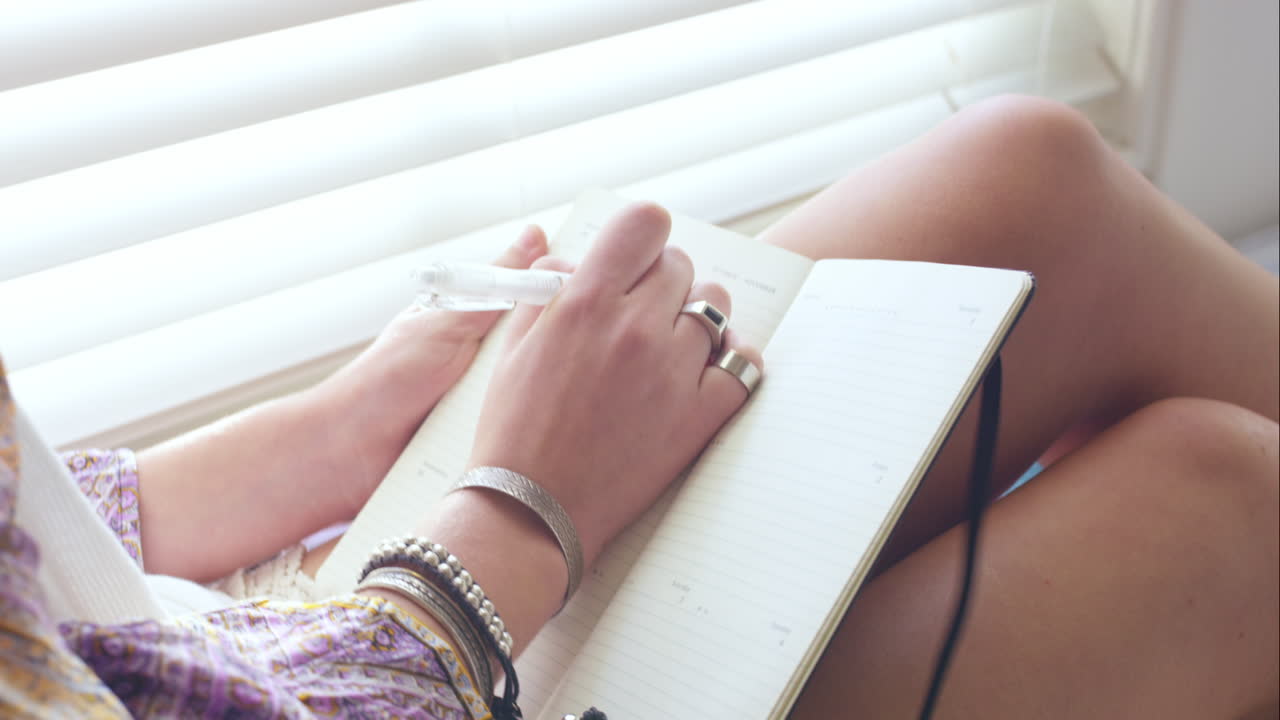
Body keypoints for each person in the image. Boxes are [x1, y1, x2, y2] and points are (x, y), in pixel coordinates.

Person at [1, 95, 1276, 719]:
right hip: (392, 678)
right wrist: (507, 521)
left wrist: (323, 437)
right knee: (1224, 513)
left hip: (226, 637)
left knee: (1030, 178)